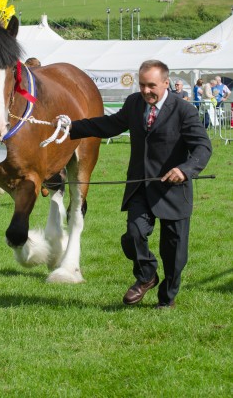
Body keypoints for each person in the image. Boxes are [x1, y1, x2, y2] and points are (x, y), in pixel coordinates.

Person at [58, 60, 212, 309]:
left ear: (166, 83)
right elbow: (108, 125)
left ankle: (166, 299)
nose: (146, 90)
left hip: (173, 190)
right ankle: (146, 275)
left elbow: (203, 147)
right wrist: (72, 127)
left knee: (174, 255)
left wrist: (185, 170)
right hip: (141, 187)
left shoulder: (184, 110)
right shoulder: (134, 104)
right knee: (133, 235)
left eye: (151, 85)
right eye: (142, 85)